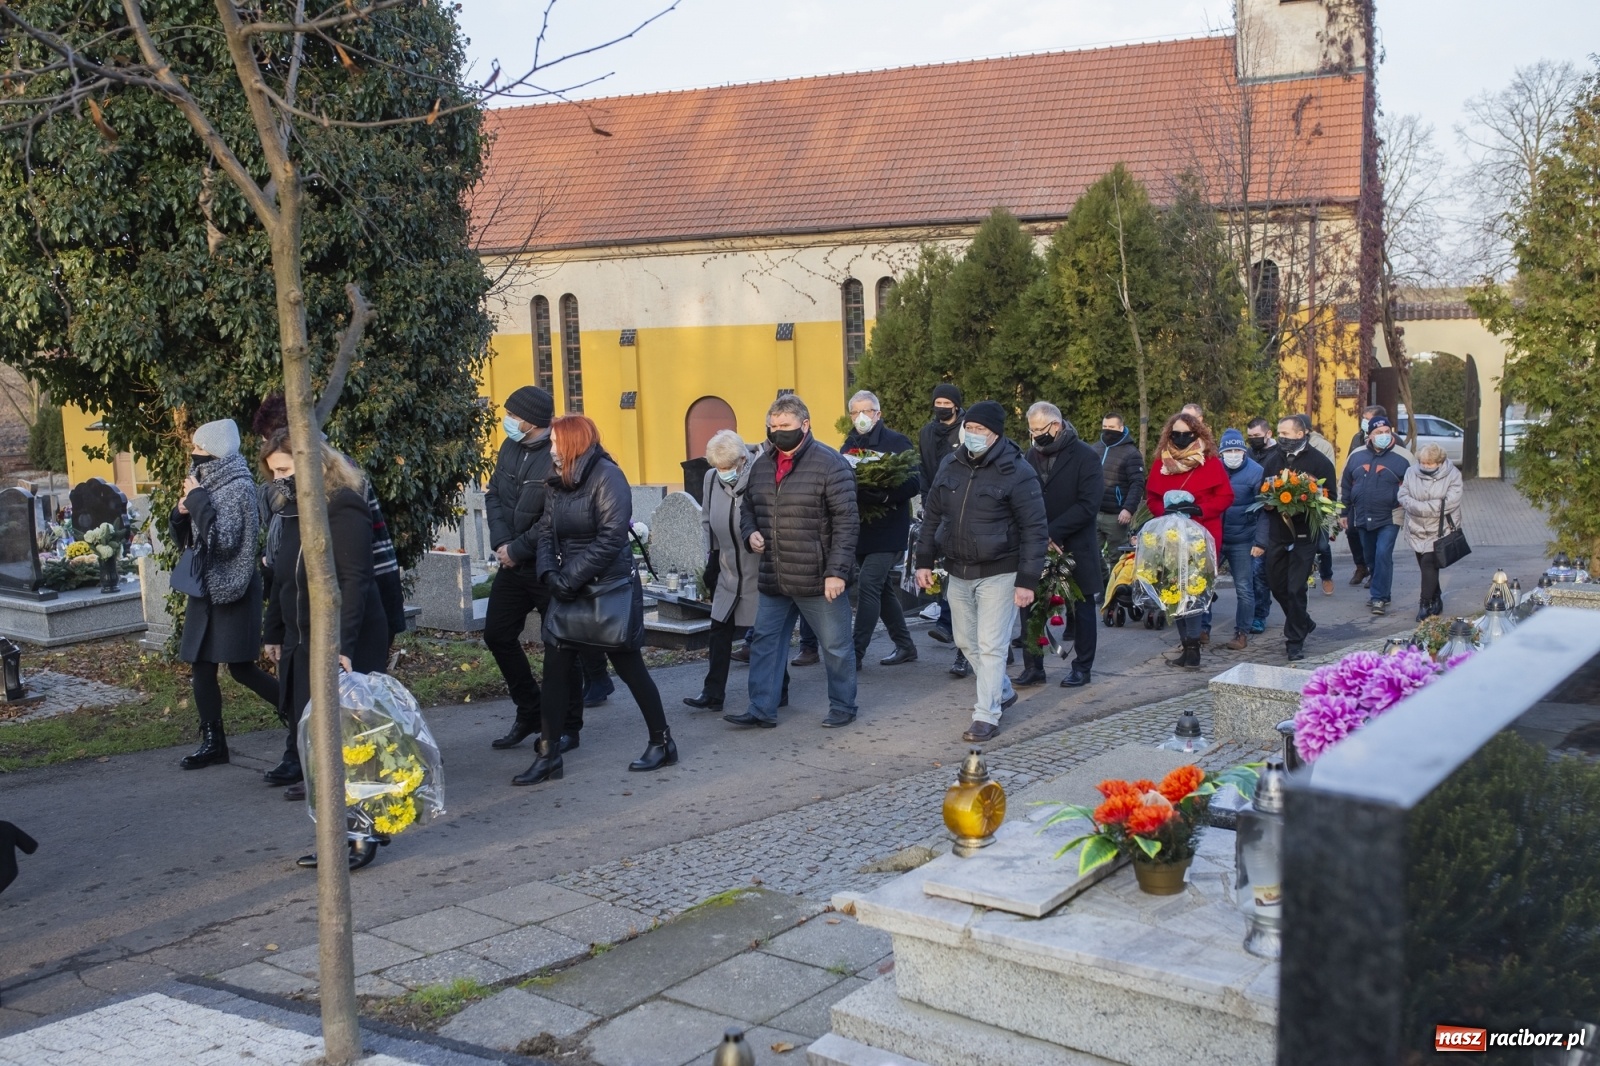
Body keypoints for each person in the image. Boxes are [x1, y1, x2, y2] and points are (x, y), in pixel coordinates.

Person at [518, 415, 675, 784]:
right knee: (555, 671)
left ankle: (662, 741)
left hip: (608, 587)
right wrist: (549, 575)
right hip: (566, 587)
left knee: (628, 666)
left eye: (556, 442)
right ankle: (549, 753)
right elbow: (546, 533)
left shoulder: (608, 476)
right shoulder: (557, 479)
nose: (550, 448)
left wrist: (568, 579)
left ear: (573, 443)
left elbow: (610, 538)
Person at [258, 430, 390, 817]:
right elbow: (284, 577)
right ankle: (339, 832)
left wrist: (343, 646)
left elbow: (354, 580)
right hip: (303, 641)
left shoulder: (342, 505)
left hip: (342, 640)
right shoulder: (297, 506)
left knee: (351, 741)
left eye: (285, 469)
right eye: (274, 473)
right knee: (315, 737)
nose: (280, 479)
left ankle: (362, 830)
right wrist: (274, 632)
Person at [915, 401, 1046, 742]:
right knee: (965, 641)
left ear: (996, 434)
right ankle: (1001, 690)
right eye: (969, 429)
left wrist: (1027, 581)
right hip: (957, 570)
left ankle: (986, 714)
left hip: (1000, 571)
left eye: (980, 431)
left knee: (991, 645)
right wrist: (924, 560)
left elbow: (1035, 528)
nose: (972, 435)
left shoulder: (1017, 471)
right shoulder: (950, 464)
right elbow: (932, 515)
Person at [728, 395, 860, 729]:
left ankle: (843, 705)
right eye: (772, 427)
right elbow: (748, 509)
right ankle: (761, 707)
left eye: (784, 426)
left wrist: (837, 572)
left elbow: (847, 522)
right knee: (765, 644)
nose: (777, 433)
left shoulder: (830, 463)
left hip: (818, 577)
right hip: (775, 573)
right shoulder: (761, 465)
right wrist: (750, 533)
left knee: (835, 646)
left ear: (805, 424)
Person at [482, 386, 589, 754]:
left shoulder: (557, 452)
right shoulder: (511, 446)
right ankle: (529, 710)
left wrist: (518, 548)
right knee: (496, 633)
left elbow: (552, 514)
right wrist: (501, 543)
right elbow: (494, 493)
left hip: (546, 564)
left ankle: (568, 725)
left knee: (560, 644)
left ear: (529, 420)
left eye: (512, 415)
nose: (508, 420)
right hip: (511, 561)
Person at [169, 419, 280, 770]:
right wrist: (180, 512)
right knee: (201, 666)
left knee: (240, 667)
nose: (193, 454)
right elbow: (189, 539)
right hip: (205, 587)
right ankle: (213, 742)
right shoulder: (204, 482)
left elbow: (227, 540)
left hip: (234, 586)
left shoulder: (238, 485)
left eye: (200, 449)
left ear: (216, 453)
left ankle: (297, 710)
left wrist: (198, 501)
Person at [252, 394, 407, 643]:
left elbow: (350, 560)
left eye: (267, 438)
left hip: (359, 598)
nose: (264, 445)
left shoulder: (337, 473)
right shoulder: (295, 479)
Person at [684, 431, 786, 712]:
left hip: (758, 567)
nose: (723, 473)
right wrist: (712, 558)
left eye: (728, 467)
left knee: (765, 633)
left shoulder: (761, 472)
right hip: (728, 568)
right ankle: (712, 692)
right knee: (718, 630)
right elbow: (707, 519)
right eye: (718, 467)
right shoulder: (710, 478)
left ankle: (781, 687)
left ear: (742, 460)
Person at [1020, 403, 1103, 689]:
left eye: (1039, 430)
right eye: (1030, 430)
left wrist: (1051, 532)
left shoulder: (1086, 456)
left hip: (1075, 543)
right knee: (1031, 604)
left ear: (1056, 426)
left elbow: (1088, 504)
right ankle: (1033, 665)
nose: (1034, 436)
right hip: (1037, 544)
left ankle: (1082, 667)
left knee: (1081, 607)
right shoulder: (1030, 455)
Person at [1145, 414, 1233, 668]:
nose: (1180, 438)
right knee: (1173, 590)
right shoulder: (1161, 463)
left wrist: (1201, 509)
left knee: (1193, 591)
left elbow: (1225, 496)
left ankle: (1193, 649)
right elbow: (1152, 497)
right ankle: (1187, 647)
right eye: (1175, 433)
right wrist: (1164, 512)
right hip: (1169, 535)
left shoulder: (1211, 463)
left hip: (1201, 535)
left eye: (1186, 433)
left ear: (1197, 435)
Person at [842, 391, 920, 669]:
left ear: (879, 413)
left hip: (889, 529)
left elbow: (913, 483)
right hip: (861, 529)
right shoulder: (848, 445)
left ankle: (855, 653)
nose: (861, 417)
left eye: (867, 411)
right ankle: (905, 645)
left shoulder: (897, 442)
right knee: (883, 589)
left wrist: (886, 496)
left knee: (869, 585)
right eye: (855, 412)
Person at [1264, 415, 1338, 662]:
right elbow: (1262, 491)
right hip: (1278, 533)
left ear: (1300, 434)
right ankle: (1303, 621)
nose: (1281, 437)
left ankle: (1294, 641)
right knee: (1276, 585)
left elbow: (1331, 498)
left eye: (1285, 433)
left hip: (1305, 535)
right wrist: (1270, 501)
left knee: (1296, 588)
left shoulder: (1320, 462)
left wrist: (1308, 500)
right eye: (1279, 433)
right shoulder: (1273, 459)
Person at [918, 383, 966, 675]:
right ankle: (948, 623)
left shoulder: (966, 433)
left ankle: (951, 629)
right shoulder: (927, 433)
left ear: (957, 406)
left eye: (946, 402)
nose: (941, 406)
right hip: (938, 510)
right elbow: (924, 469)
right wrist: (926, 505)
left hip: (963, 510)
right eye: (937, 401)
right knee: (945, 572)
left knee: (960, 577)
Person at [1340, 416, 1410, 616]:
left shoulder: (1404, 457)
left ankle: (1378, 597)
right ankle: (1383, 592)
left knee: (1382, 554)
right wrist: (1343, 512)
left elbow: (1413, 485)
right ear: (1369, 435)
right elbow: (1345, 484)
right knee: (1370, 556)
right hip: (1362, 514)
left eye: (1387, 431)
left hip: (1391, 514)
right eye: (1378, 433)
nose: (1383, 436)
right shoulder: (1356, 455)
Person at [1396, 444, 1464, 621]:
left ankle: (1424, 604)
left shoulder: (1453, 475)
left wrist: (1419, 507)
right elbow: (1403, 495)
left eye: (1429, 463)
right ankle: (1436, 597)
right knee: (1426, 565)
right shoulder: (1411, 472)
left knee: (1428, 563)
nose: (1425, 466)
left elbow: (1451, 501)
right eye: (1423, 462)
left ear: (1439, 462)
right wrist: (1421, 507)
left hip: (1440, 529)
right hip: (1417, 527)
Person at [1214, 430, 1268, 650]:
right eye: (1228, 450)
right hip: (1215, 537)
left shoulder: (1256, 472)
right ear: (1221, 452)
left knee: (1245, 588)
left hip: (1243, 539)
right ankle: (1203, 630)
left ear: (1244, 451)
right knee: (1204, 585)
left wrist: (1260, 541)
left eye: (1237, 450)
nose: (1233, 454)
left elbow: (1265, 510)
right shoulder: (1214, 469)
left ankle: (1242, 632)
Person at [1092, 412, 1146, 566]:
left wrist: (1128, 509)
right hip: (1094, 511)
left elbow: (1137, 483)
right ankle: (1101, 586)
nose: (1108, 430)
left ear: (1121, 428)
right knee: (1091, 554)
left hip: (1116, 516)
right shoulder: (1095, 448)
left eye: (1112, 427)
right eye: (1105, 427)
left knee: (1118, 558)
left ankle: (1117, 588)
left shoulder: (1131, 453)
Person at [1244, 418, 1280, 634]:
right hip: (1244, 521)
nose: (1254, 440)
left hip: (1267, 520)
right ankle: (1249, 613)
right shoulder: (1247, 455)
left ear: (1268, 434)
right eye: (1251, 437)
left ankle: (1260, 614)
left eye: (1257, 436)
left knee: (1259, 573)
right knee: (1248, 574)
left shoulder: (1278, 456)